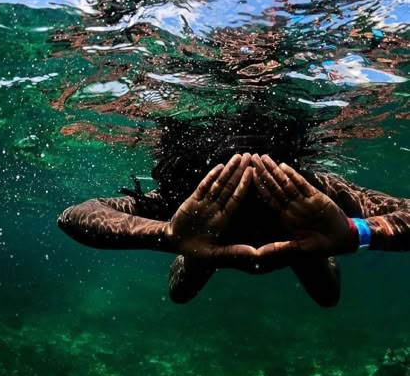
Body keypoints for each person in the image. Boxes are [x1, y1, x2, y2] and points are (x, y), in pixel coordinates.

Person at [57, 114, 410, 307]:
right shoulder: (196, 197)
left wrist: (353, 233)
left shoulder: (307, 192)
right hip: (206, 239)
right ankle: (198, 250)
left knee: (326, 295)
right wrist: (167, 236)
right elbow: (77, 214)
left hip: (301, 237)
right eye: (235, 180)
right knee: (181, 292)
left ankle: (309, 249)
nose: (248, 189)